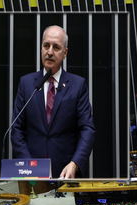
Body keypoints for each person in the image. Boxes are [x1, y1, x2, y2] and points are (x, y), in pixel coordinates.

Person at [11, 25, 95, 179]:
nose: (49, 52)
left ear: (65, 53)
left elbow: (87, 129)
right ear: (41, 49)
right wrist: (30, 167)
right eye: (46, 46)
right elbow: (16, 129)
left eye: (56, 47)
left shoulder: (77, 85)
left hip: (66, 173)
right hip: (31, 175)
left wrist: (75, 163)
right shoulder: (26, 83)